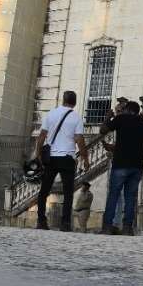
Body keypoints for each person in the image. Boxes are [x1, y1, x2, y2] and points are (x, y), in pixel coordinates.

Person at [100, 100, 143, 235]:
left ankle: (107, 226)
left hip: (120, 164)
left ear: (128, 110)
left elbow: (103, 131)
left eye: (124, 109)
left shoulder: (120, 119)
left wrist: (108, 118)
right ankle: (127, 228)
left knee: (113, 195)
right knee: (130, 197)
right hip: (137, 166)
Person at [34, 90, 87, 231]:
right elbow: (79, 139)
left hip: (51, 158)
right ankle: (65, 223)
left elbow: (42, 136)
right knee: (68, 192)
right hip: (67, 158)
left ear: (63, 100)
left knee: (44, 190)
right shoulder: (76, 118)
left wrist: (38, 154)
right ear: (75, 102)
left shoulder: (51, 114)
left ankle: (41, 221)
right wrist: (85, 158)